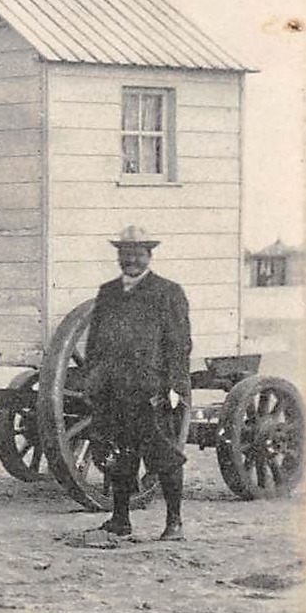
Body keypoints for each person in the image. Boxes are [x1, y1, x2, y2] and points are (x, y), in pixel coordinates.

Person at [84, 226, 192, 541]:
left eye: (137, 253)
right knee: (120, 454)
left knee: (165, 455)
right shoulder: (108, 292)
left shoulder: (167, 292)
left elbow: (179, 345)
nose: (131, 259)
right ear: (118, 256)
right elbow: (94, 344)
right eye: (125, 253)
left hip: (152, 391)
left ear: (149, 256)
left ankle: (174, 522)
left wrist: (174, 387)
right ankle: (120, 519)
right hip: (114, 391)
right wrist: (94, 379)